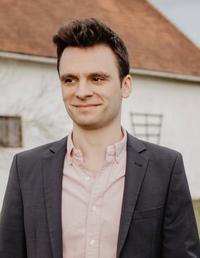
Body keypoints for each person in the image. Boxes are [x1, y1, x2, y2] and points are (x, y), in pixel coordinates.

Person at [0, 18, 199, 258]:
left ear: (125, 86)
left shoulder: (165, 169)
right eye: (70, 80)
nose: (81, 92)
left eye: (97, 78)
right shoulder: (26, 170)